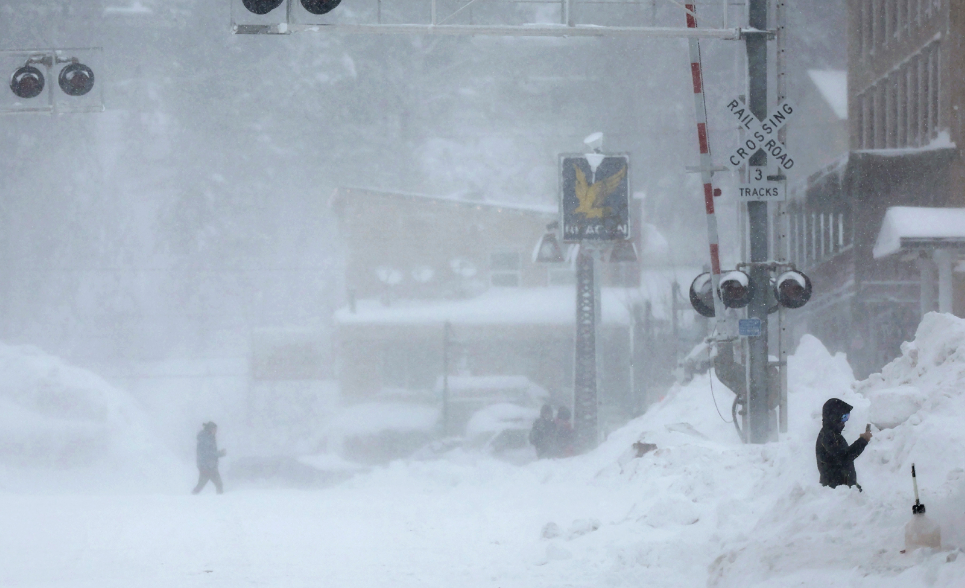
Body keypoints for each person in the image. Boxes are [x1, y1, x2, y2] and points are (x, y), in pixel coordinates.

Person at [816, 398, 872, 490]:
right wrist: (863, 440)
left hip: (840, 490)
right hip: (834, 493)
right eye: (844, 417)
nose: (845, 421)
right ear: (834, 417)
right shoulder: (828, 436)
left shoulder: (834, 435)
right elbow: (844, 457)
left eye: (847, 417)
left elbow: (843, 461)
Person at [193, 421, 226, 494]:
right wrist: (219, 454)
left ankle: (191, 497)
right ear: (210, 429)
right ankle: (221, 500)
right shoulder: (206, 438)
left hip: (208, 465)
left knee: (202, 485)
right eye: (215, 429)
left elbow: (209, 452)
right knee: (218, 484)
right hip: (207, 466)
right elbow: (207, 453)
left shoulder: (208, 437)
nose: (216, 431)